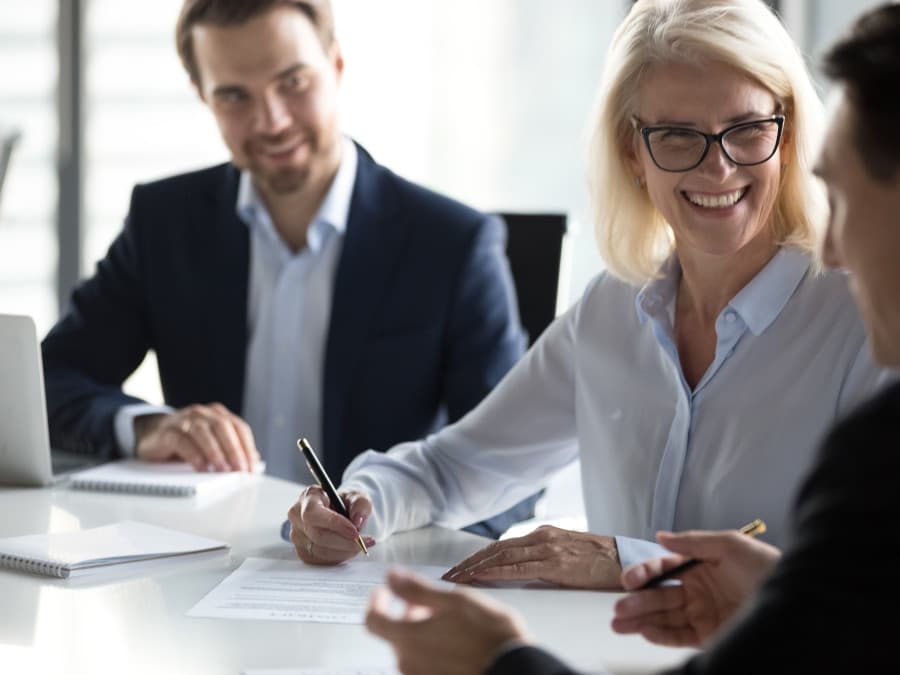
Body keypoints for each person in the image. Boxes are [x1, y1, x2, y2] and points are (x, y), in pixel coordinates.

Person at [363, 3, 900, 674]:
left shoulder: (867, 325)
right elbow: (455, 466)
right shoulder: (611, 311)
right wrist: (361, 502)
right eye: (678, 136)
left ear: (786, 138)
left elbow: (860, 604)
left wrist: (627, 561)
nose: (719, 167)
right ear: (633, 154)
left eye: (747, 130)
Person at [41, 0, 536, 538]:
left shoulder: (452, 244)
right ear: (202, 94)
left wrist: (395, 533)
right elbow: (46, 382)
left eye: (293, 82)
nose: (271, 121)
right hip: (201, 561)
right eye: (234, 95)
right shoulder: (165, 223)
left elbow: (511, 473)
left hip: (375, 577)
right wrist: (146, 427)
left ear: (337, 66)